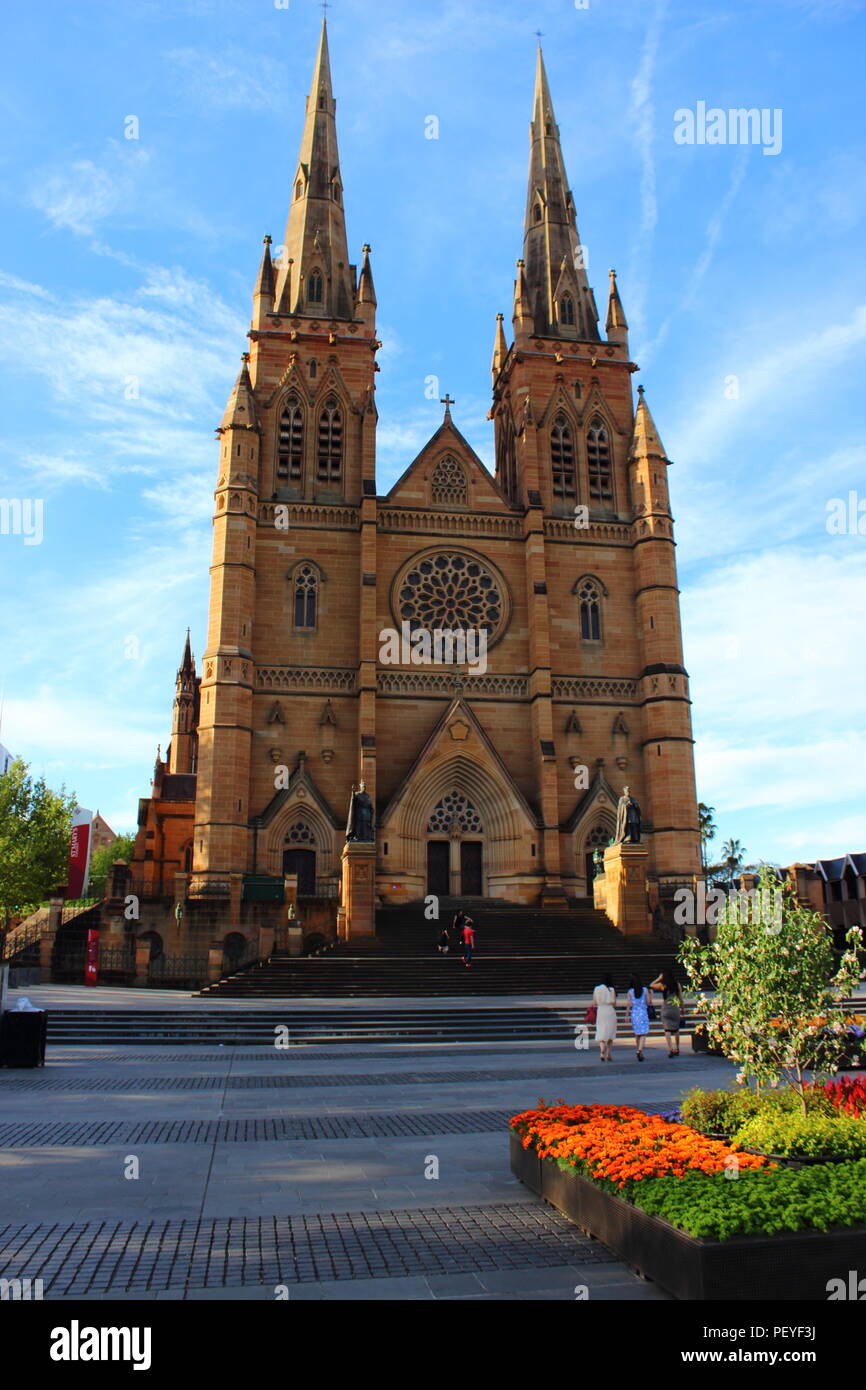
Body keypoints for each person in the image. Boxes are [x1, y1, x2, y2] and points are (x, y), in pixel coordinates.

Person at [650, 967, 683, 1057]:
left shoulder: (662, 985)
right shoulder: (677, 985)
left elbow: (651, 985)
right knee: (676, 1029)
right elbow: (681, 998)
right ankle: (677, 1048)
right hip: (675, 1008)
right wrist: (682, 1009)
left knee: (667, 1030)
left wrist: (659, 978)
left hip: (665, 1008)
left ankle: (670, 1048)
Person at [592, 974, 617, 1062]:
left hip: (601, 1010)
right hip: (610, 1010)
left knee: (601, 1031)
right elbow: (614, 1003)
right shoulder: (611, 989)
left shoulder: (596, 989)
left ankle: (602, 1051)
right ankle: (609, 1054)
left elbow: (594, 1003)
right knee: (610, 1033)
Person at [627, 974, 650, 1061]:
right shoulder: (644, 990)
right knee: (643, 1033)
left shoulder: (630, 992)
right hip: (643, 1013)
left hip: (634, 1013)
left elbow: (629, 1004)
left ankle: (638, 1050)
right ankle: (640, 1050)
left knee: (637, 1033)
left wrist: (627, 1015)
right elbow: (648, 1002)